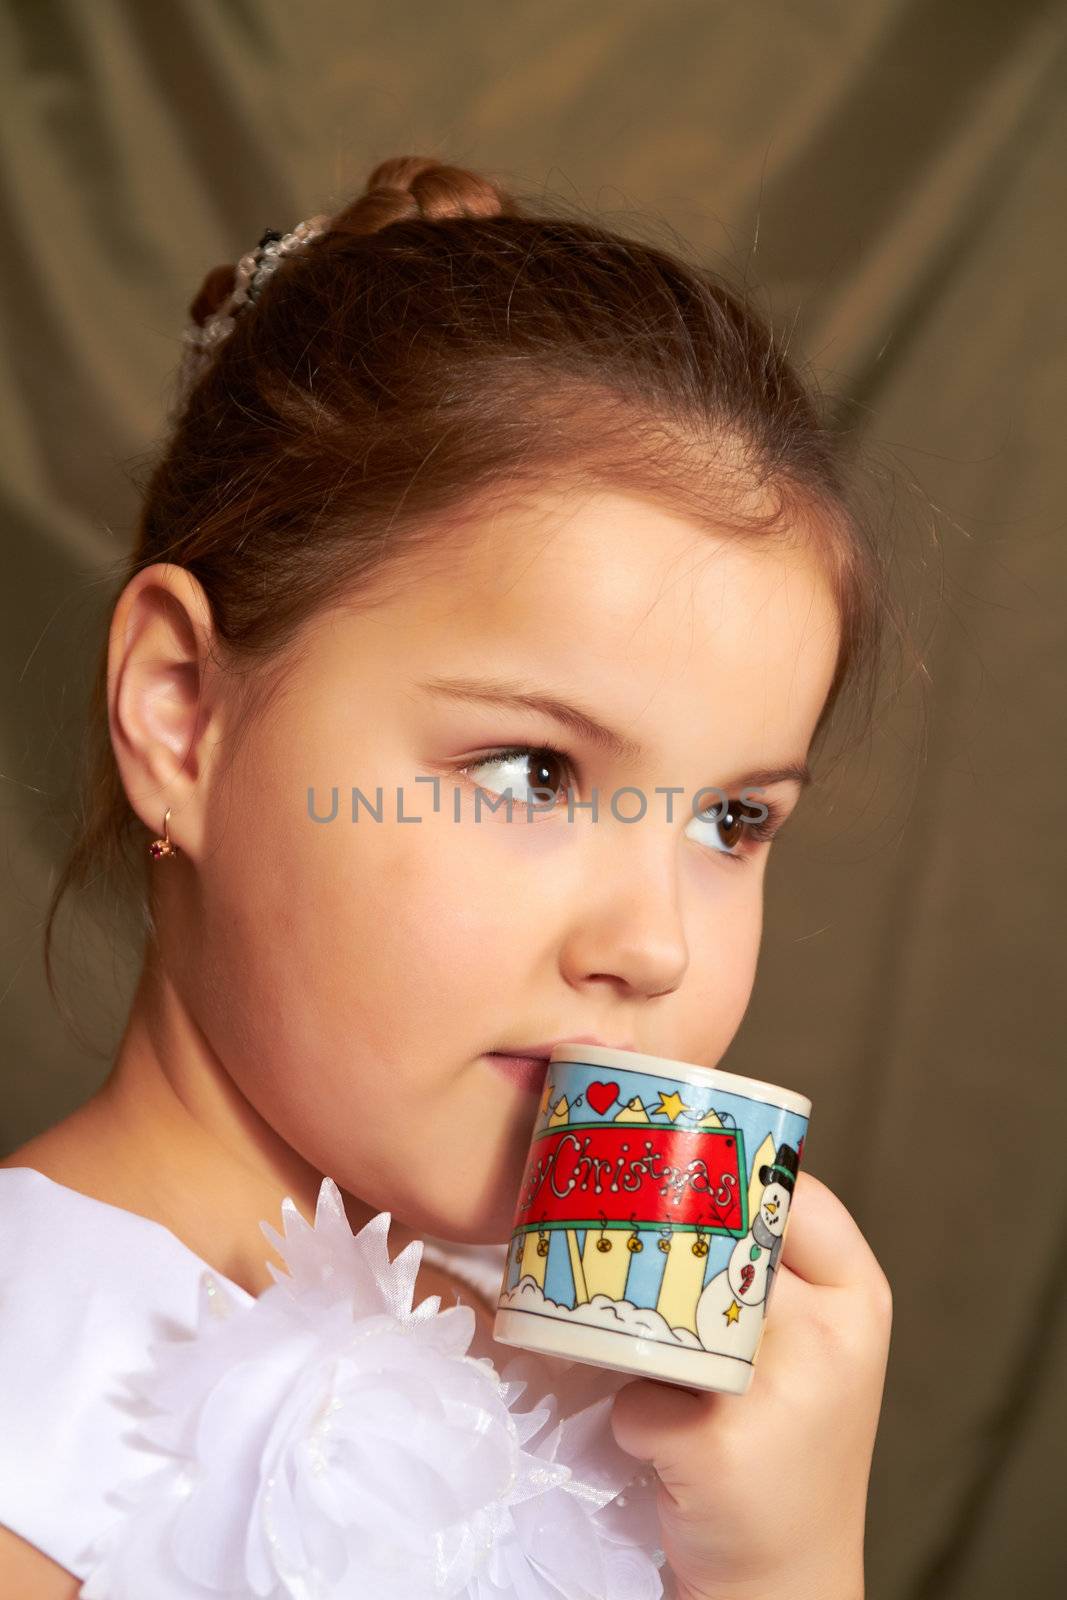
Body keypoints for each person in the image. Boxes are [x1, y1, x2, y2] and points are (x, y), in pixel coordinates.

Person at [0, 154, 897, 1598]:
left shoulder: (679, 1441)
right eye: (534, 773)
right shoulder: (29, 1410)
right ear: (182, 711)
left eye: (732, 821)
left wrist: (785, 1566)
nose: (655, 945)